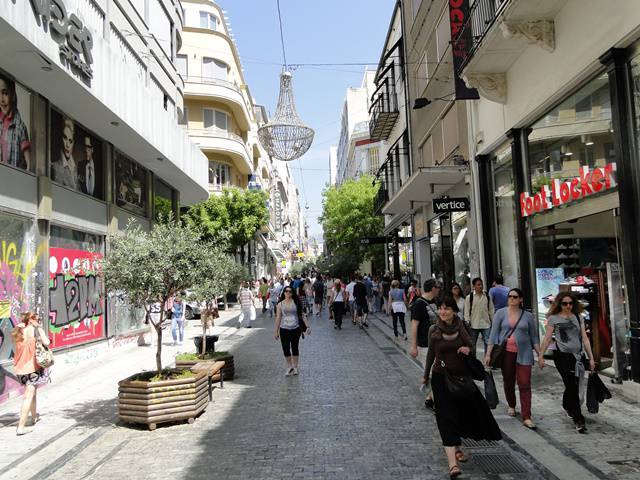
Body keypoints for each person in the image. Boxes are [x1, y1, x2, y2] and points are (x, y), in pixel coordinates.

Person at [423, 296, 501, 478]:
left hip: (462, 379)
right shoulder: (434, 330)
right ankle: (453, 464)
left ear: (454, 311)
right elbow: (430, 354)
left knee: (460, 413)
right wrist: (425, 376)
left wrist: (468, 350)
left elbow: (472, 347)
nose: (443, 312)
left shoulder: (462, 327)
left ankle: (457, 447)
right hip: (441, 379)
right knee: (445, 417)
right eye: (441, 308)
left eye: (447, 309)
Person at [539, 292, 595, 434]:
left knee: (573, 385)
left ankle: (567, 405)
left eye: (570, 303)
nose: (568, 306)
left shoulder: (578, 317)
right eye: (565, 303)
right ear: (559, 304)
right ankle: (579, 419)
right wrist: (541, 355)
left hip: (578, 356)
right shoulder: (553, 318)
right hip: (562, 357)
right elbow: (547, 338)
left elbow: (585, 338)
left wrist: (591, 358)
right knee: (571, 384)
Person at [485, 288, 541, 429]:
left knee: (524, 383)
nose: (512, 299)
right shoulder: (500, 313)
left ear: (521, 299)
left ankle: (526, 416)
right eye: (510, 296)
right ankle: (511, 404)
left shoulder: (527, 316)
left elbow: (534, 337)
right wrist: (488, 353)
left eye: (515, 297)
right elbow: (493, 334)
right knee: (508, 380)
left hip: (525, 353)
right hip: (506, 353)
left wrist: (540, 354)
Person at [12, 312, 50, 435]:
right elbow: (47, 342)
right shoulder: (35, 329)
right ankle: (21, 427)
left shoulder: (18, 329)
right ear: (33, 319)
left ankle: (34, 417)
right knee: (28, 396)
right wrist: (38, 327)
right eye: (37, 319)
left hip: (20, 369)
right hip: (32, 368)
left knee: (33, 392)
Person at [410, 278, 442, 409]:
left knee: (435, 372)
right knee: (432, 373)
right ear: (433, 288)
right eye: (438, 287)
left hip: (437, 342)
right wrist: (413, 346)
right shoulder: (419, 304)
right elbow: (414, 325)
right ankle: (435, 401)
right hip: (424, 344)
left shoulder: (435, 301)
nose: (439, 289)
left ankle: (430, 398)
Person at [274, 285, 310, 376]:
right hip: (284, 329)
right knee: (285, 348)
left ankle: (295, 367)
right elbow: (278, 317)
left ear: (292, 293)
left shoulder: (296, 302)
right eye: (286, 291)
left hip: (295, 328)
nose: (288, 293)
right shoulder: (280, 304)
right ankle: (289, 366)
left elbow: (302, 315)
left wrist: (307, 326)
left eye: (290, 291)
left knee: (295, 347)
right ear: (284, 293)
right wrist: (276, 331)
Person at [0, 74, 31, 170]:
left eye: (5, 93)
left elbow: (29, 163)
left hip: (12, 177)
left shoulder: (20, 127)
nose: (1, 99)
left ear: (13, 95)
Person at [464, 278, 494, 357]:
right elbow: (466, 311)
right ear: (473, 286)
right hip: (474, 324)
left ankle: (487, 362)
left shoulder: (487, 296)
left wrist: (493, 321)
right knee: (472, 344)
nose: (480, 286)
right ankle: (474, 363)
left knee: (488, 343)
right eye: (478, 285)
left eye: (481, 284)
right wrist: (467, 322)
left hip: (486, 324)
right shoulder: (469, 297)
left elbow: (491, 310)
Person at [51, 117, 79, 190]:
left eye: (70, 141)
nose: (67, 145)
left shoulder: (75, 168)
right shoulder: (55, 166)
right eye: (65, 138)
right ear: (61, 138)